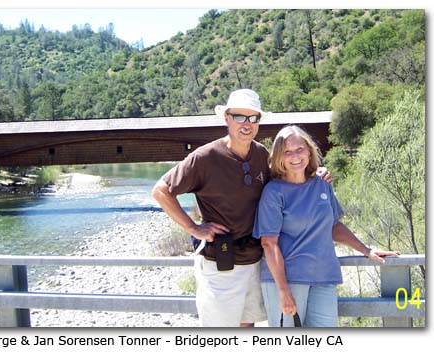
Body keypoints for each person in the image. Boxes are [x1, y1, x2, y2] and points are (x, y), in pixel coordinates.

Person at [151, 89, 330, 327]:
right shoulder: (205, 157)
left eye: (252, 118)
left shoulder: (260, 154)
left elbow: (286, 178)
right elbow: (161, 191)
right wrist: (194, 228)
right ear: (227, 118)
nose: (246, 124)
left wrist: (314, 174)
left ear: (258, 122)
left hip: (255, 261)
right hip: (220, 264)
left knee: (248, 326)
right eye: (239, 117)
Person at [252, 125, 399, 327]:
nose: (295, 156)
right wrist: (283, 291)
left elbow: (334, 227)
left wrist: (367, 250)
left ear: (309, 150)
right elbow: (269, 244)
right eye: (287, 151)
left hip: (324, 276)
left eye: (300, 149)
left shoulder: (322, 184)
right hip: (288, 280)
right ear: (279, 156)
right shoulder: (273, 192)